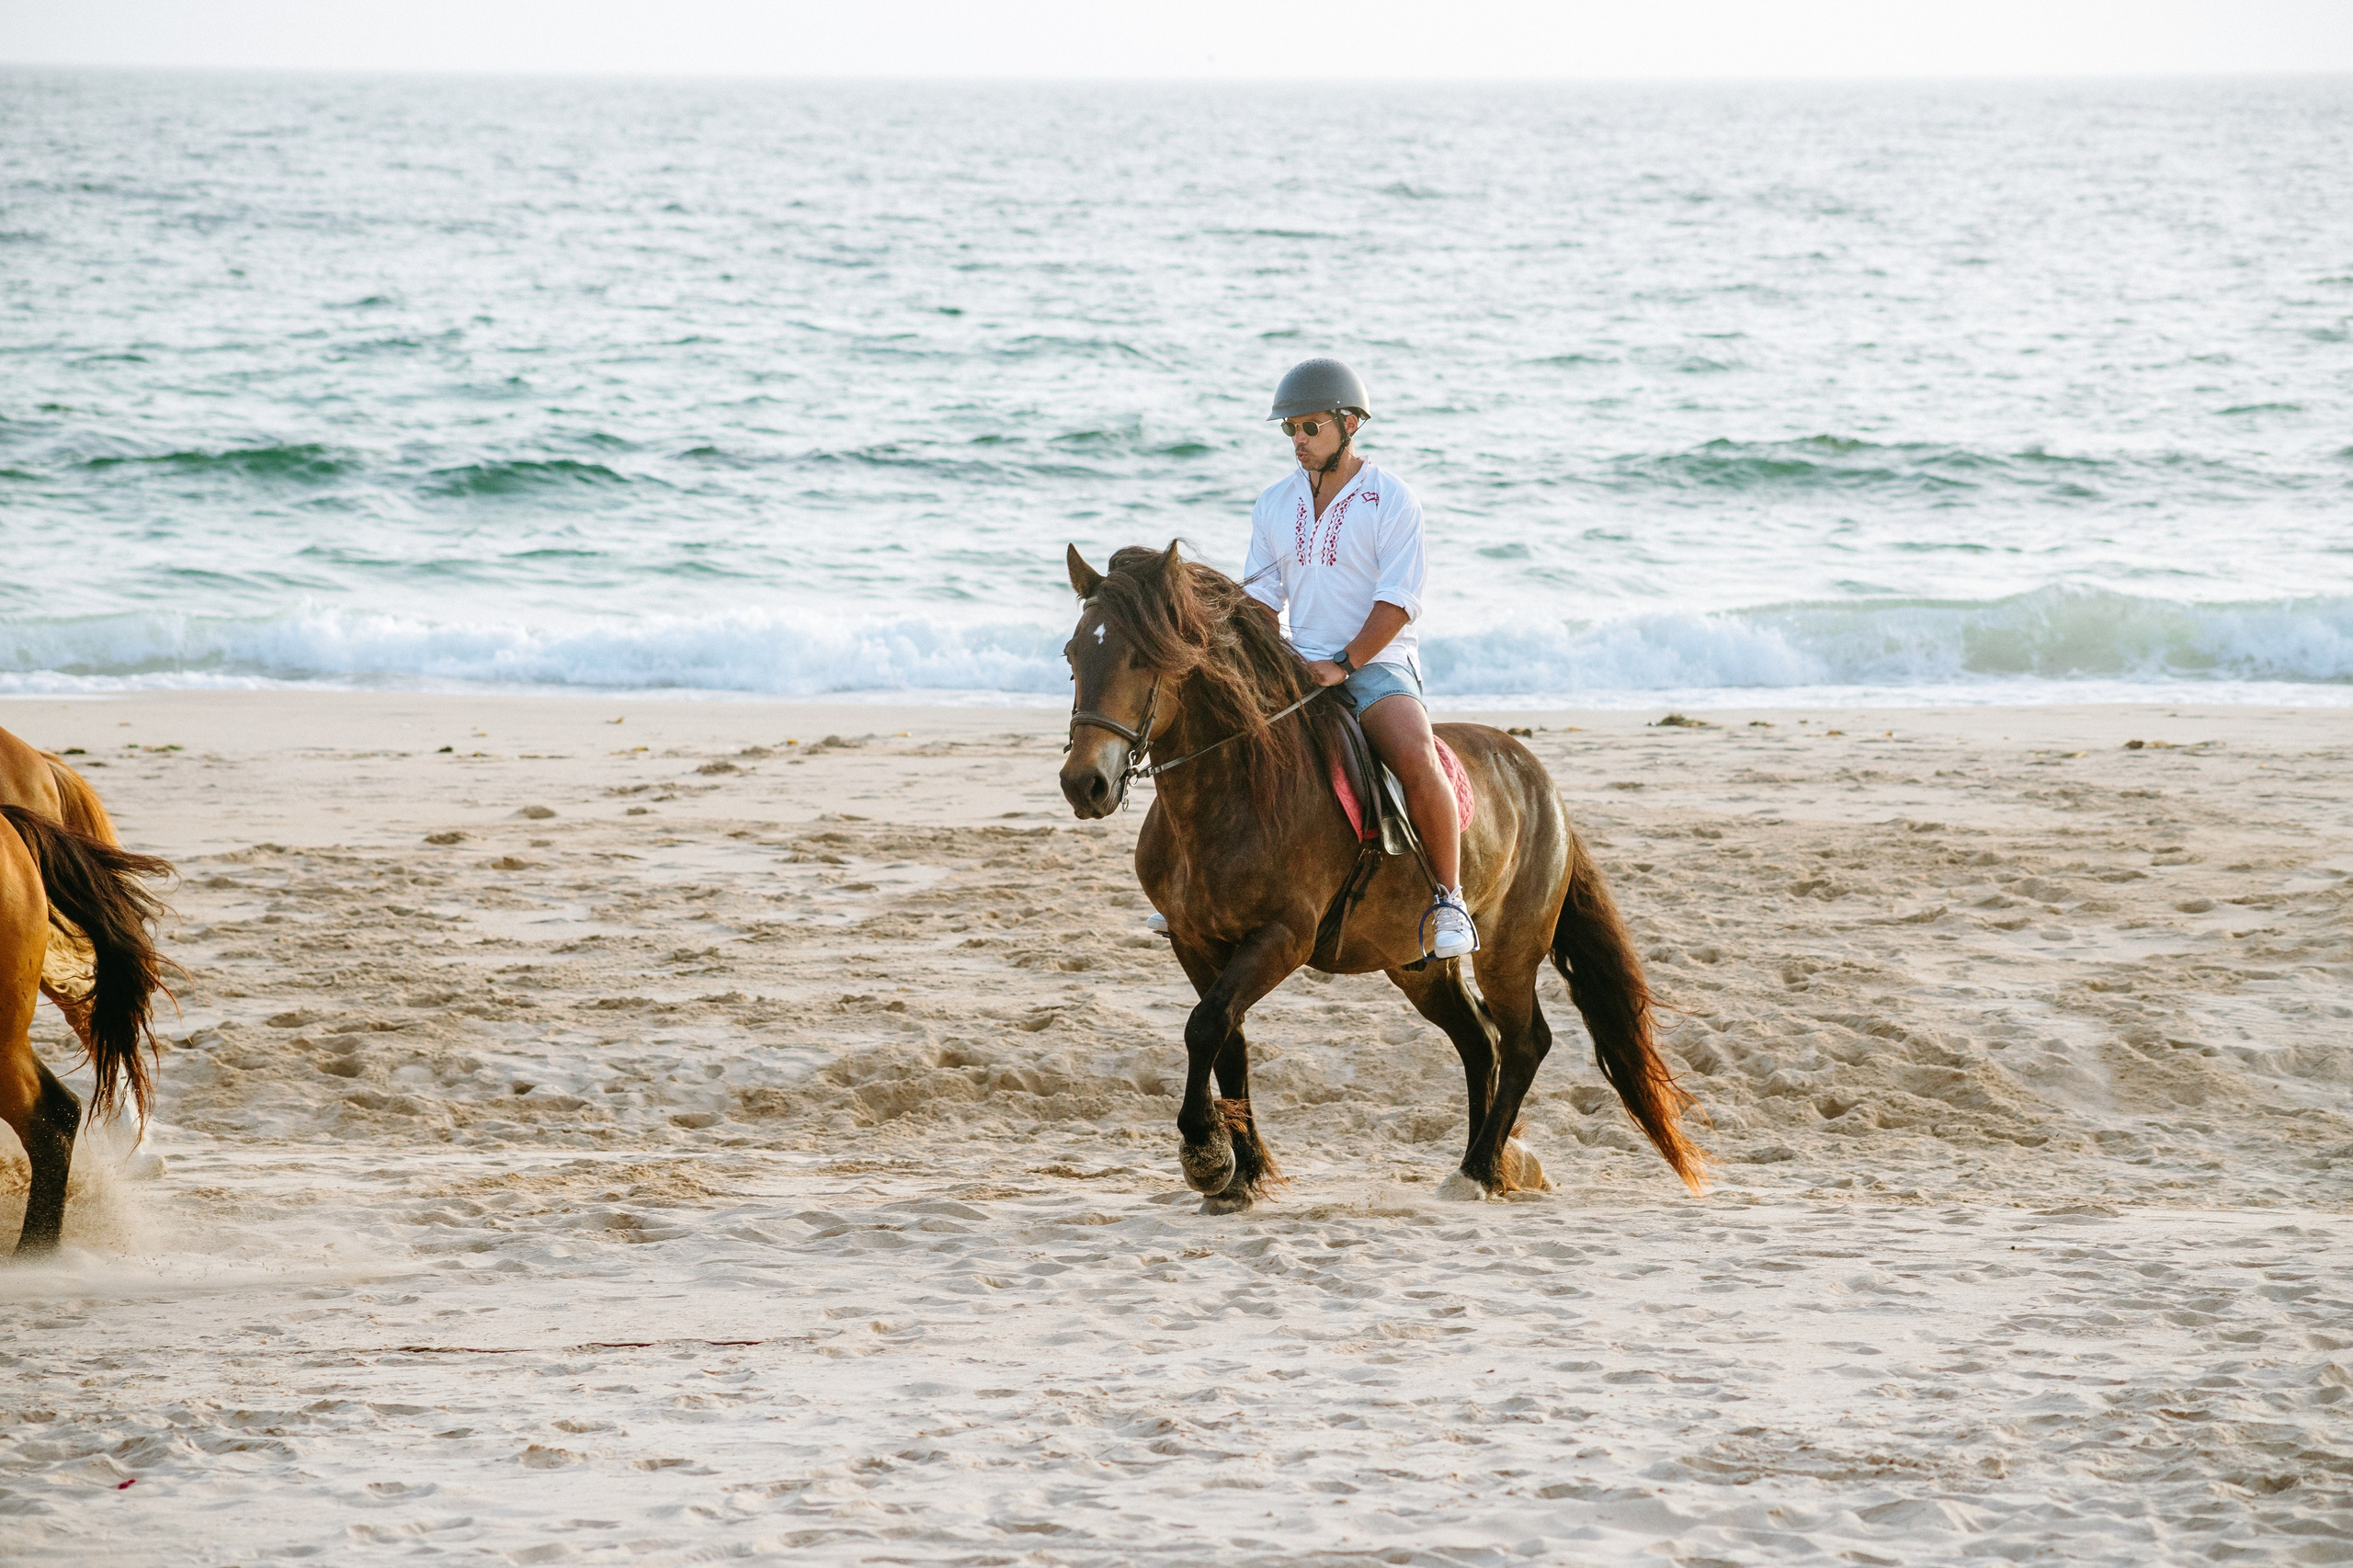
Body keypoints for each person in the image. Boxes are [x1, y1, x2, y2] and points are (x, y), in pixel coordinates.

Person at [1241, 358, 1475, 960]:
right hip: (1296, 662)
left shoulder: (1391, 500)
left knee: (1415, 755)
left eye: (1309, 426)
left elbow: (1398, 601)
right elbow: (1261, 600)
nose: (1297, 439)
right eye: (1290, 428)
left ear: (1349, 424)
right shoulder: (1273, 503)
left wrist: (1344, 664)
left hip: (1378, 662)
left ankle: (1449, 899)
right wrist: (1271, 662)